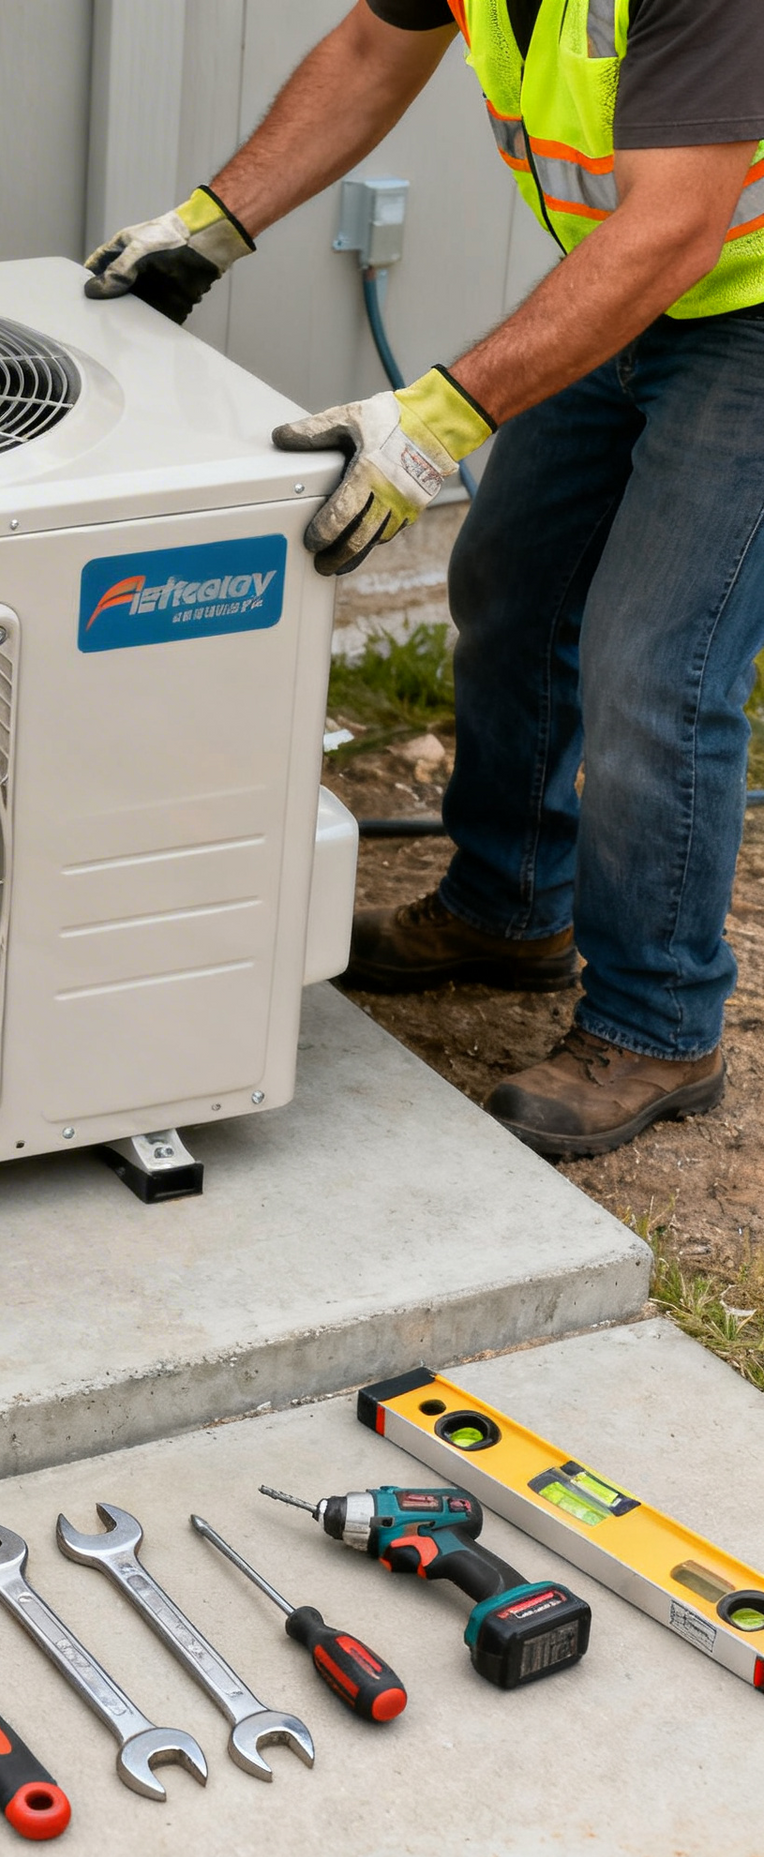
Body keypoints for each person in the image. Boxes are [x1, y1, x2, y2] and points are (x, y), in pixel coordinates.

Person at [86, 0, 764, 1161]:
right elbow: (367, 54)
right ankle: (510, 906)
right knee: (510, 589)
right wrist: (210, 224)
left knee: (654, 661)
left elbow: (678, 225)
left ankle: (661, 1021)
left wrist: (440, 415)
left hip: (734, 304)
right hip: (627, 277)